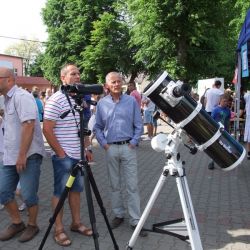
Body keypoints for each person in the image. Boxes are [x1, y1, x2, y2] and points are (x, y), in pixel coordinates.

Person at [43, 63, 93, 247]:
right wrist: (61, 153)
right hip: (64, 157)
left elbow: (82, 127)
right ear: (63, 77)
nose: (77, 76)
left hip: (78, 155)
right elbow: (47, 129)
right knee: (60, 192)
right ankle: (58, 229)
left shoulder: (78, 99)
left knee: (76, 190)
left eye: (79, 73)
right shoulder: (56, 99)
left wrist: (86, 149)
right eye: (73, 73)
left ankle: (76, 223)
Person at [94, 72, 147, 237]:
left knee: (132, 185)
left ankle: (135, 220)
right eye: (113, 82)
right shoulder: (101, 104)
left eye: (119, 81)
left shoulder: (131, 101)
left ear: (122, 83)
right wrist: (104, 144)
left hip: (128, 148)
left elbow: (139, 125)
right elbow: (97, 127)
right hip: (111, 149)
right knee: (114, 184)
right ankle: (118, 214)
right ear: (107, 85)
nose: (117, 84)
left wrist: (134, 142)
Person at [0, 67, 45, 242]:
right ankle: (17, 223)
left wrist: (21, 155)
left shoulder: (22, 97)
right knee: (3, 191)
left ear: (9, 79)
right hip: (10, 155)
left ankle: (33, 225)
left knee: (28, 195)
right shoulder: (5, 99)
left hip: (28, 155)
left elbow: (29, 126)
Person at [208, 94, 231, 169]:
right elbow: (211, 120)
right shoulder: (215, 110)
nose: (226, 103)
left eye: (227, 102)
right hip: (216, 131)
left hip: (225, 131)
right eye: (224, 101)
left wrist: (228, 131)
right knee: (215, 147)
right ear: (220, 101)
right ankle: (212, 161)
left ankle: (225, 162)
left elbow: (228, 120)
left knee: (224, 147)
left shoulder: (228, 110)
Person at [244, 91, 250, 159]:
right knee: (249, 135)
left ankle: (249, 152)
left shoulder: (247, 95)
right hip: (249, 117)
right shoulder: (247, 95)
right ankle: (249, 152)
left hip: (249, 117)